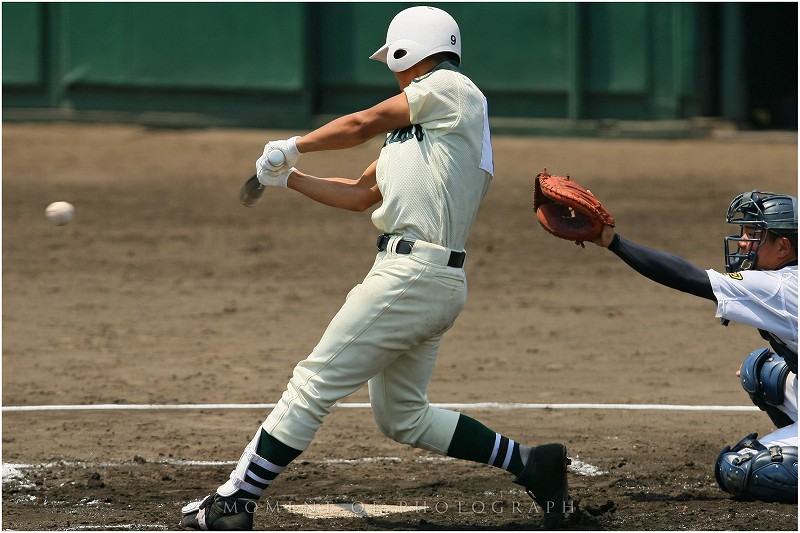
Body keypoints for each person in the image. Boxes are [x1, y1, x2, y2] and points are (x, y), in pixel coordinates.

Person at [180, 6, 569, 530]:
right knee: (403, 416)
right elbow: (361, 194)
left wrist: (295, 143)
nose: (393, 69)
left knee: (312, 383)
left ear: (411, 49)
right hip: (426, 279)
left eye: (395, 59)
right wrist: (290, 177)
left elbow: (362, 123)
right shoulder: (422, 129)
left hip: (412, 275)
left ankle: (234, 502)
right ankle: (532, 464)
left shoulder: (453, 90)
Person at [590, 189, 797, 502]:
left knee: (742, 467)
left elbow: (688, 277)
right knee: (761, 372)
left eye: (754, 233)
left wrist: (613, 242)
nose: (743, 241)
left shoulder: (778, 288)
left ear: (783, 246)